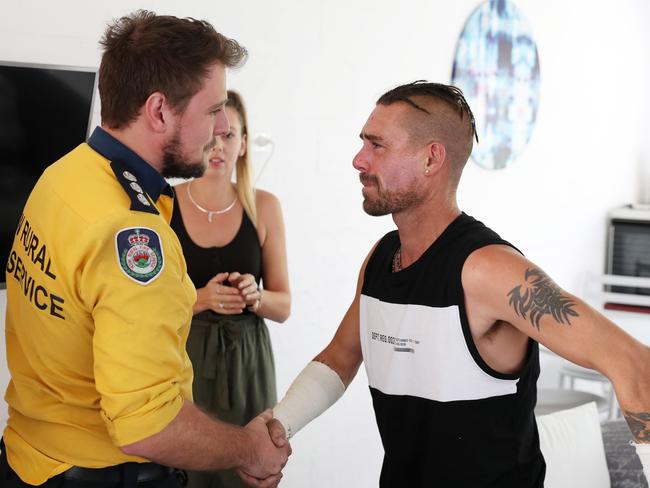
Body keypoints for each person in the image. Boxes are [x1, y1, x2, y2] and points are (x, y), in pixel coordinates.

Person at [266, 81, 650, 488]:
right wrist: (278, 424)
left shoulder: (490, 270)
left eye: (377, 146)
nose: (359, 160)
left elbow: (634, 364)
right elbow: (339, 359)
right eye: (363, 143)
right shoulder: (382, 259)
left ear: (431, 159)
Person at [1, 11, 289, 488]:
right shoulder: (133, 238)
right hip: (98, 473)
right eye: (214, 109)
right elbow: (146, 425)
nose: (221, 129)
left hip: (31, 456)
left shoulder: (65, 174)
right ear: (159, 111)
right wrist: (249, 448)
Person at [170, 90, 290, 488]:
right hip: (184, 357)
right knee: (186, 465)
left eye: (230, 135)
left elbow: (283, 304)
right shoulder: (163, 204)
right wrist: (200, 298)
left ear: (243, 144)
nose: (218, 145)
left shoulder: (265, 205)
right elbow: (144, 307)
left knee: (251, 466)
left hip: (248, 363)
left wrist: (256, 298)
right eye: (212, 133)